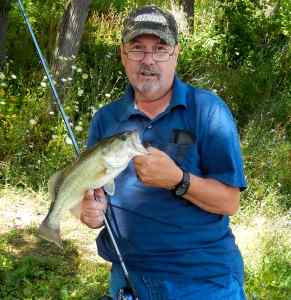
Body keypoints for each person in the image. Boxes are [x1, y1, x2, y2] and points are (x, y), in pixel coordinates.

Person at [80, 5, 247, 300]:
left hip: (201, 280)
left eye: (160, 48)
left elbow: (230, 201)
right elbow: (95, 193)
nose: (148, 60)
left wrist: (178, 180)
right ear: (122, 54)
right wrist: (91, 212)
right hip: (126, 275)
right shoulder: (106, 119)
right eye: (137, 48)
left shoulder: (207, 110)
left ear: (176, 53)